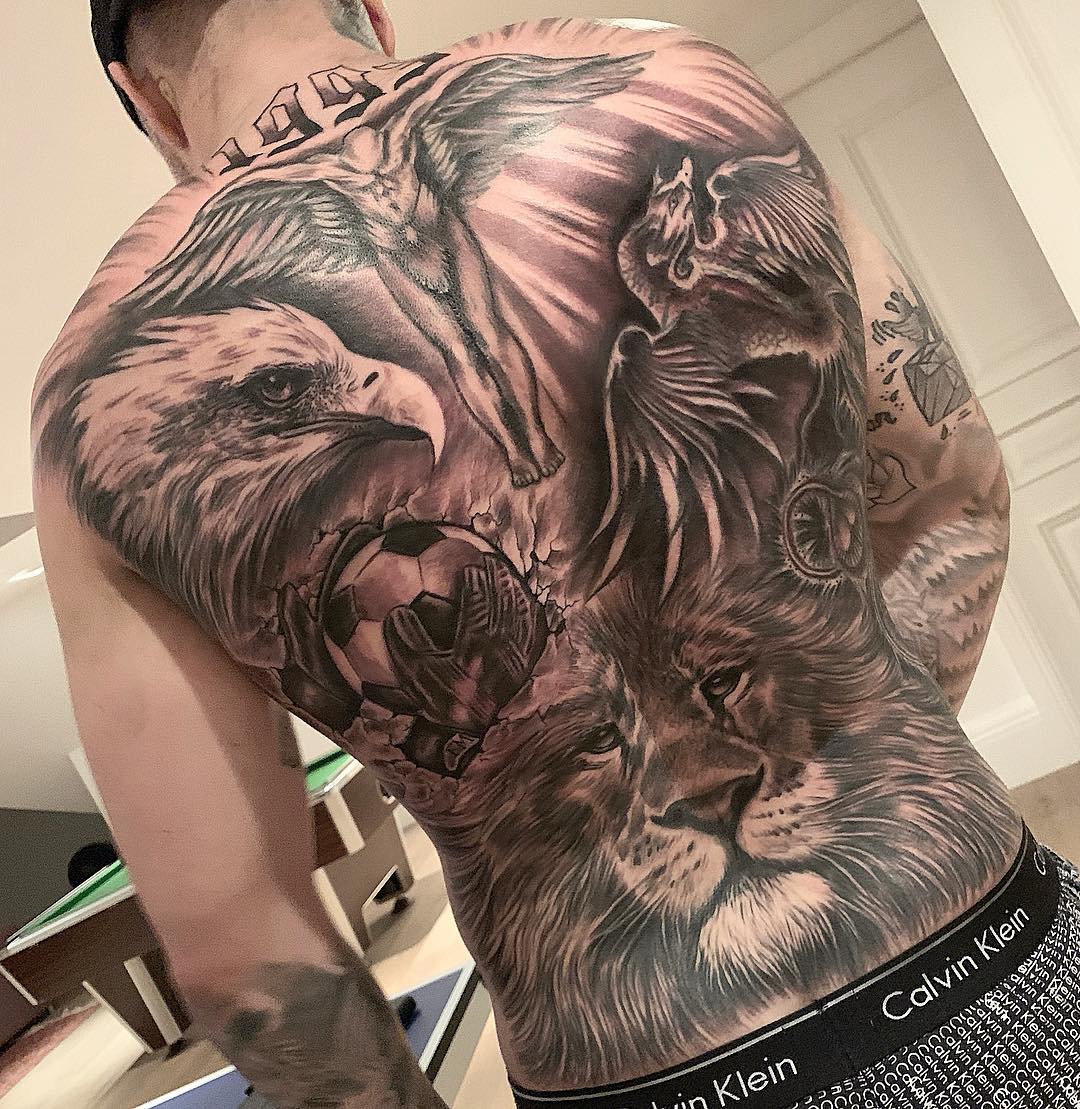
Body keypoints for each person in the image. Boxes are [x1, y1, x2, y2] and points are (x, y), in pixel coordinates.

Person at [31, 2, 1079, 1106]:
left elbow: (241, 950)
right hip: (1004, 958)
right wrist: (855, 775)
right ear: (371, 12)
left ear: (143, 97)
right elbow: (952, 487)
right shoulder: (685, 84)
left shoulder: (91, 406)